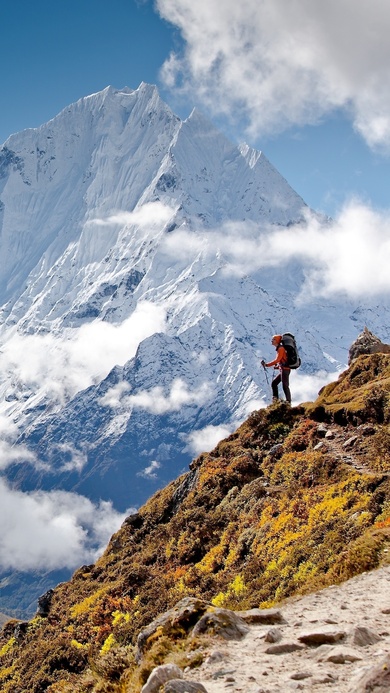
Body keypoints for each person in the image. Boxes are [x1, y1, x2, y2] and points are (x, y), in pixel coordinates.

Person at [261, 334, 291, 403]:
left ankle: (288, 402)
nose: (272, 341)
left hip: (285, 370)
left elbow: (277, 360)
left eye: (274, 339)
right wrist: (277, 367)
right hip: (284, 369)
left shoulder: (280, 349)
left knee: (285, 386)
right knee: (274, 383)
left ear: (277, 341)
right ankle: (276, 401)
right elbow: (282, 360)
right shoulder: (280, 348)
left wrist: (267, 365)